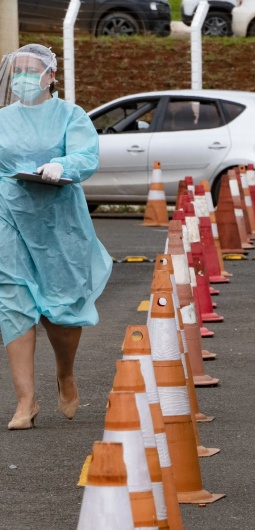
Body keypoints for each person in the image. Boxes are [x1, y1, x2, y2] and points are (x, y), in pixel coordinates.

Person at [0, 44, 112, 429]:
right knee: (13, 300)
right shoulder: (3, 119)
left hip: (57, 222)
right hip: (8, 216)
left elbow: (86, 155)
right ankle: (25, 401)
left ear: (50, 75)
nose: (23, 78)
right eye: (17, 71)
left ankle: (65, 373)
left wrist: (60, 164)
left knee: (62, 307)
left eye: (32, 71)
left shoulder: (70, 115)